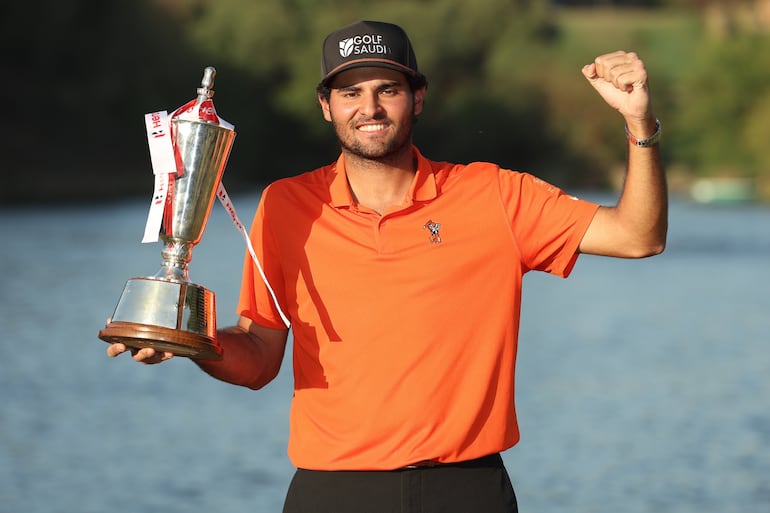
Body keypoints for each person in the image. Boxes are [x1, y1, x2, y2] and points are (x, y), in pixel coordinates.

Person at [107, 19, 667, 513]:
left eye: (388, 90)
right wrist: (190, 338)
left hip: (466, 489)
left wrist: (639, 125)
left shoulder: (494, 194)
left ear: (417, 99)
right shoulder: (286, 206)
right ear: (326, 106)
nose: (369, 108)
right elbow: (258, 358)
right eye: (350, 92)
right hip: (333, 492)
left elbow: (638, 236)